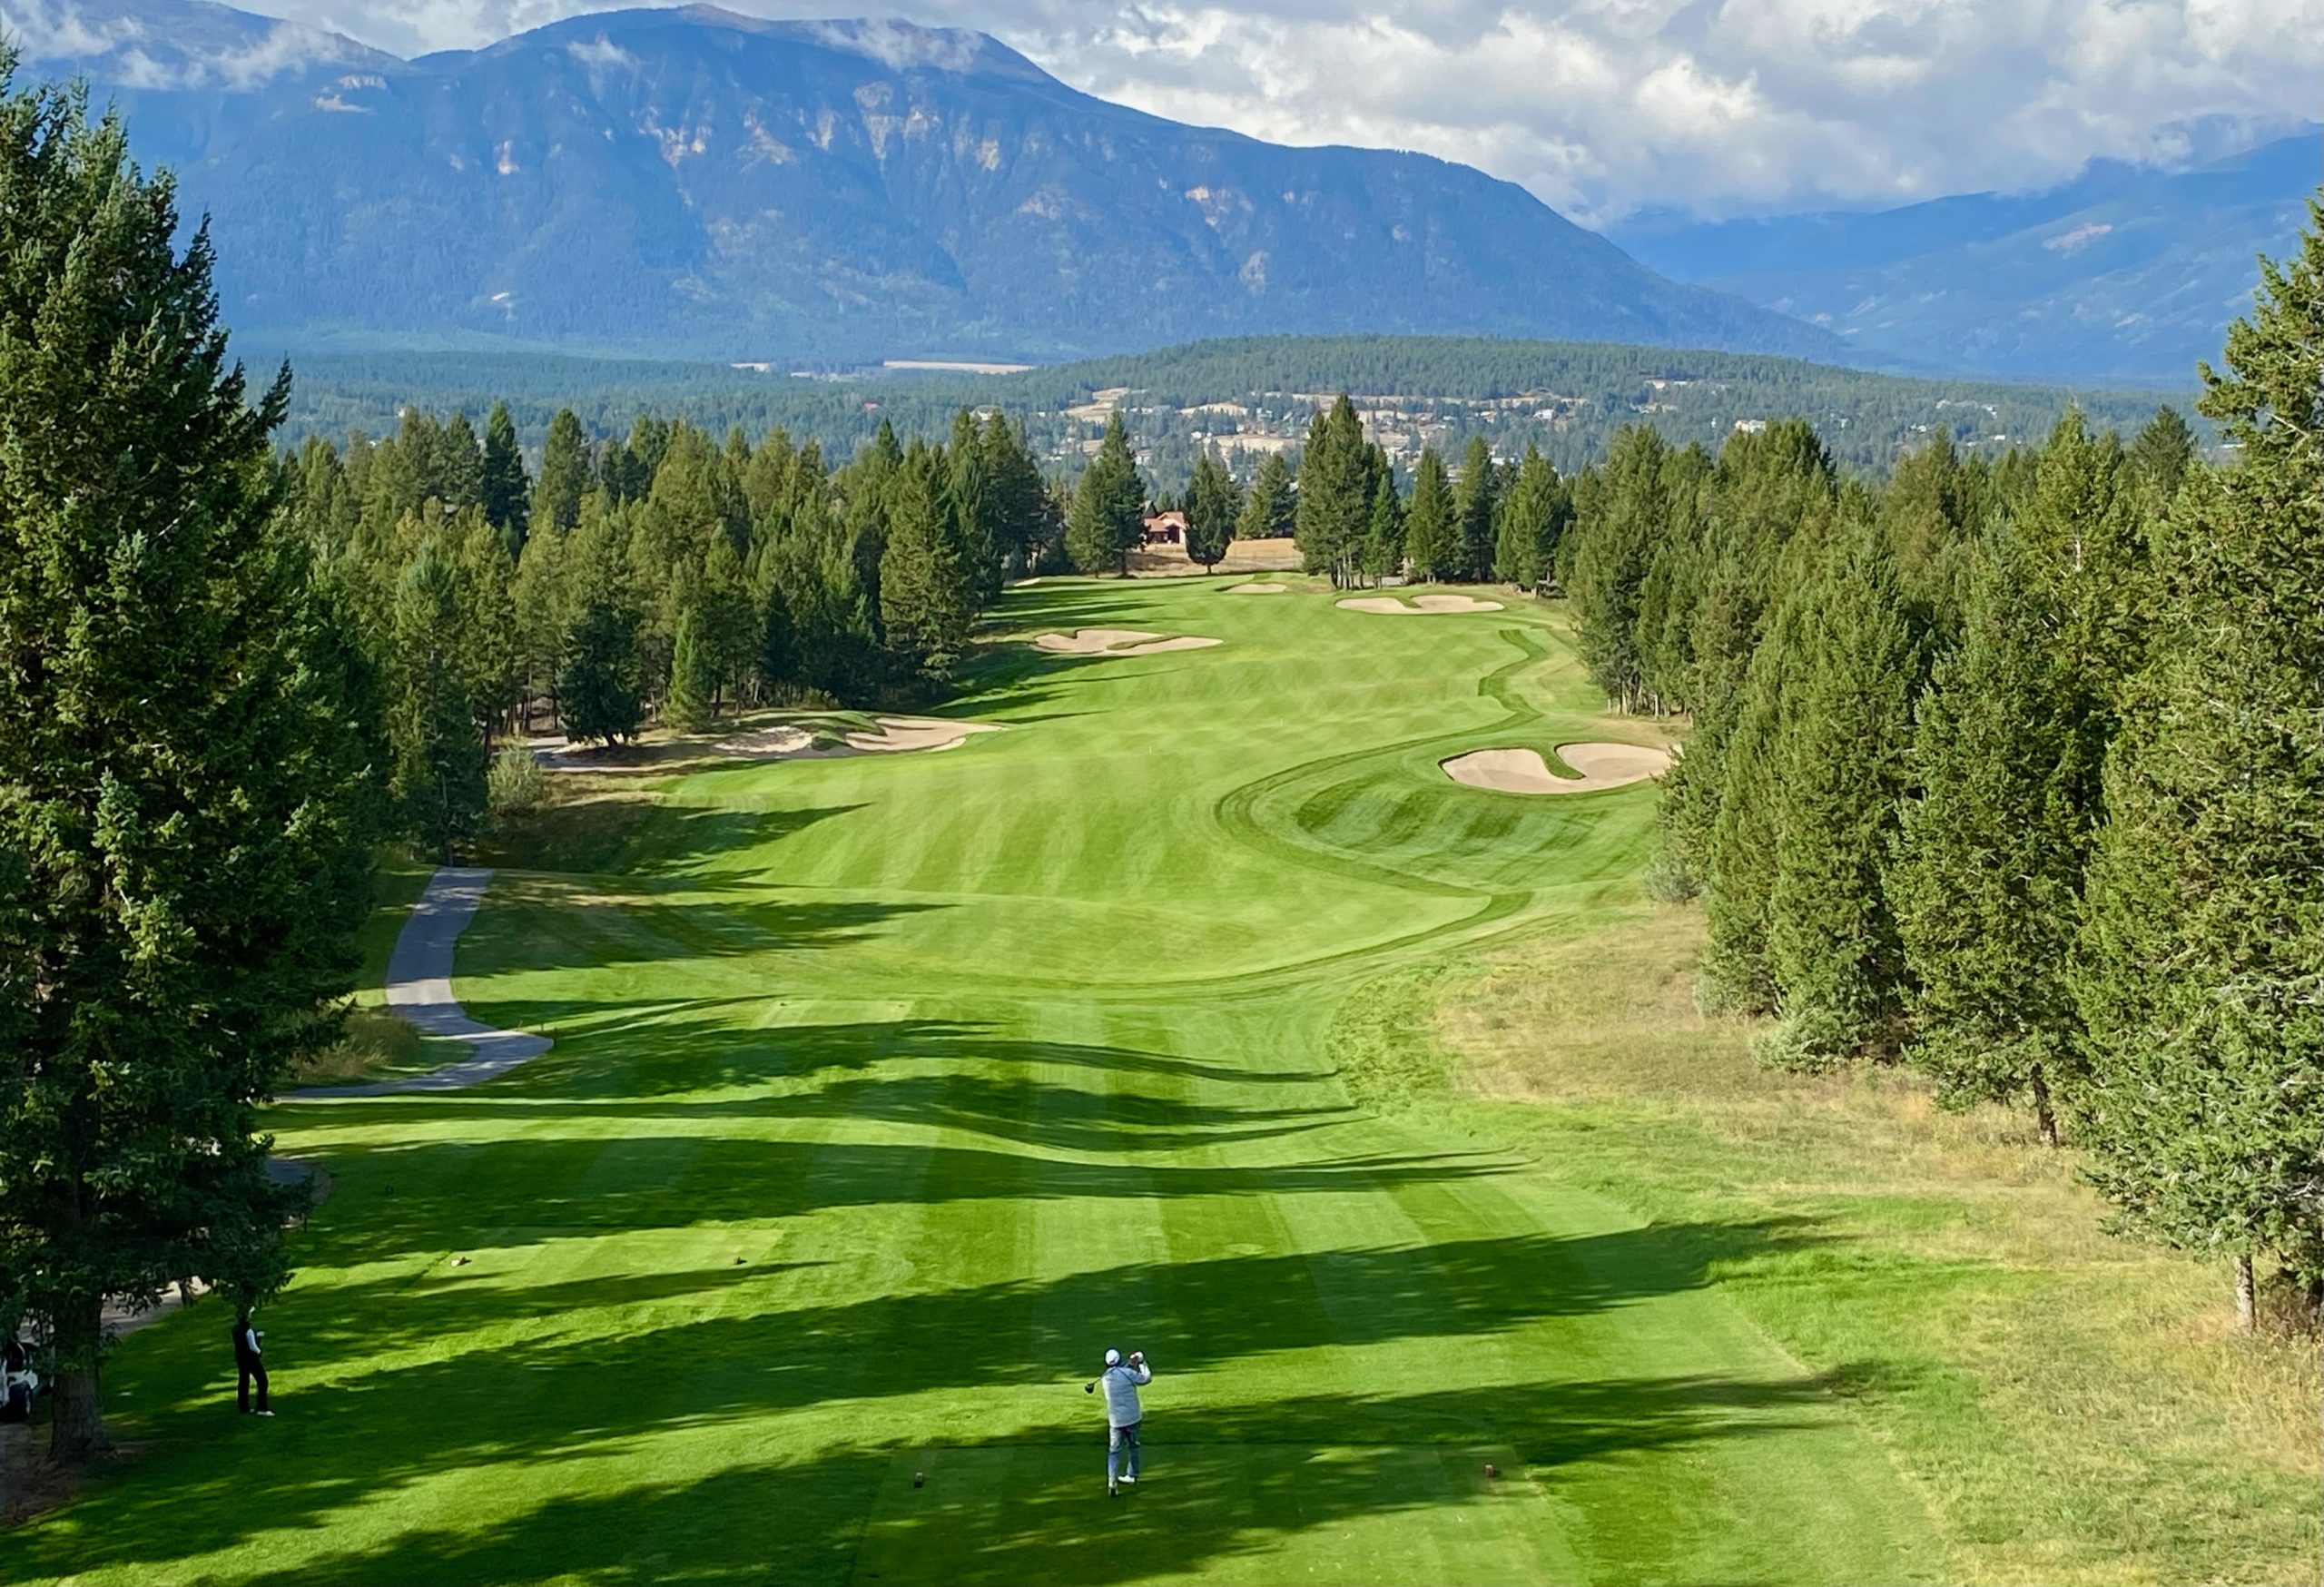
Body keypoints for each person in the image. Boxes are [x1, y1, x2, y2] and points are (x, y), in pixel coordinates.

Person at [1094, 1347, 1150, 1496]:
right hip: (1132, 1418)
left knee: (1114, 1452)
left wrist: (1130, 1363)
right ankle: (1132, 1475)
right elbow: (1145, 1378)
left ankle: (1112, 1481)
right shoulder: (1127, 1374)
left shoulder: (1105, 1378)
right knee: (1133, 1447)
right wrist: (1142, 1363)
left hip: (1116, 1421)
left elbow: (1118, 1372)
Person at [231, 1310, 271, 1416]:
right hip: (251, 1359)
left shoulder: (235, 1329)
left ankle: (243, 1407)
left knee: (243, 1382)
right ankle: (262, 1408)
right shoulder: (248, 1331)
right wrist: (260, 1351)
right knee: (262, 1381)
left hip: (241, 1359)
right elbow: (253, 1347)